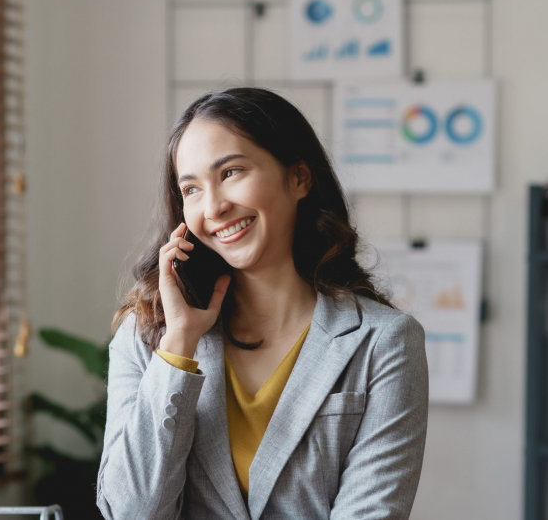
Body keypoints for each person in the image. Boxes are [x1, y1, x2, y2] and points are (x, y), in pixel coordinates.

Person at [95, 87, 429, 520]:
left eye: (231, 172)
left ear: (299, 178)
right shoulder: (145, 337)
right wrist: (178, 347)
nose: (214, 206)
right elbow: (130, 513)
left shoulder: (384, 342)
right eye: (191, 189)